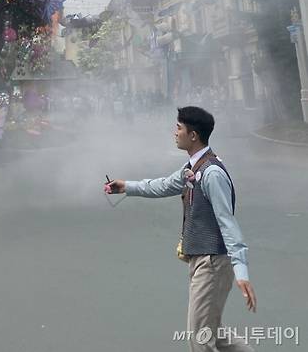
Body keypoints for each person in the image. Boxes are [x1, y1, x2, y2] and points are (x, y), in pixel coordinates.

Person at [105, 106, 257, 352]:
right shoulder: (193, 168)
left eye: (178, 128)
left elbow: (227, 223)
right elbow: (163, 185)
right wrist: (126, 186)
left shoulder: (211, 173)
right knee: (214, 333)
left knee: (199, 339)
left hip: (213, 263)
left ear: (193, 135)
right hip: (202, 260)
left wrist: (241, 271)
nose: (174, 132)